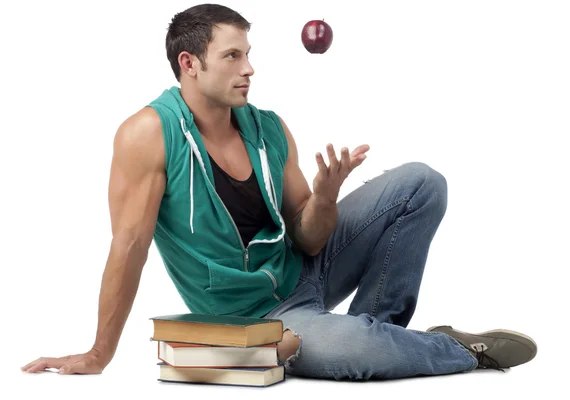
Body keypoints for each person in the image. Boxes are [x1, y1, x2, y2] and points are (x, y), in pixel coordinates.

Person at [21, 3, 537, 380]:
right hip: (260, 318)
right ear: (189, 64)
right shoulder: (148, 135)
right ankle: (449, 351)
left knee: (422, 183)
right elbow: (129, 247)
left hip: (303, 270)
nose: (249, 69)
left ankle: (381, 337)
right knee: (356, 351)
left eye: (248, 54)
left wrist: (326, 198)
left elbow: (310, 240)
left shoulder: (267, 127)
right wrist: (99, 353)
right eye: (232, 56)